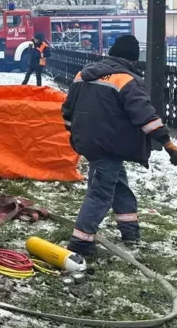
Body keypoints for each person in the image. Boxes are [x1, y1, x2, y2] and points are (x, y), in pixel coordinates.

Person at [62, 35, 176, 256]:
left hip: (89, 142)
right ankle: (81, 242)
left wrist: (76, 133)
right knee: (100, 194)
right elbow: (146, 117)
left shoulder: (81, 75)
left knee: (118, 184)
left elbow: (67, 110)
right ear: (133, 60)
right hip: (110, 145)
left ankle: (130, 231)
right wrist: (167, 143)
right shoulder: (126, 80)